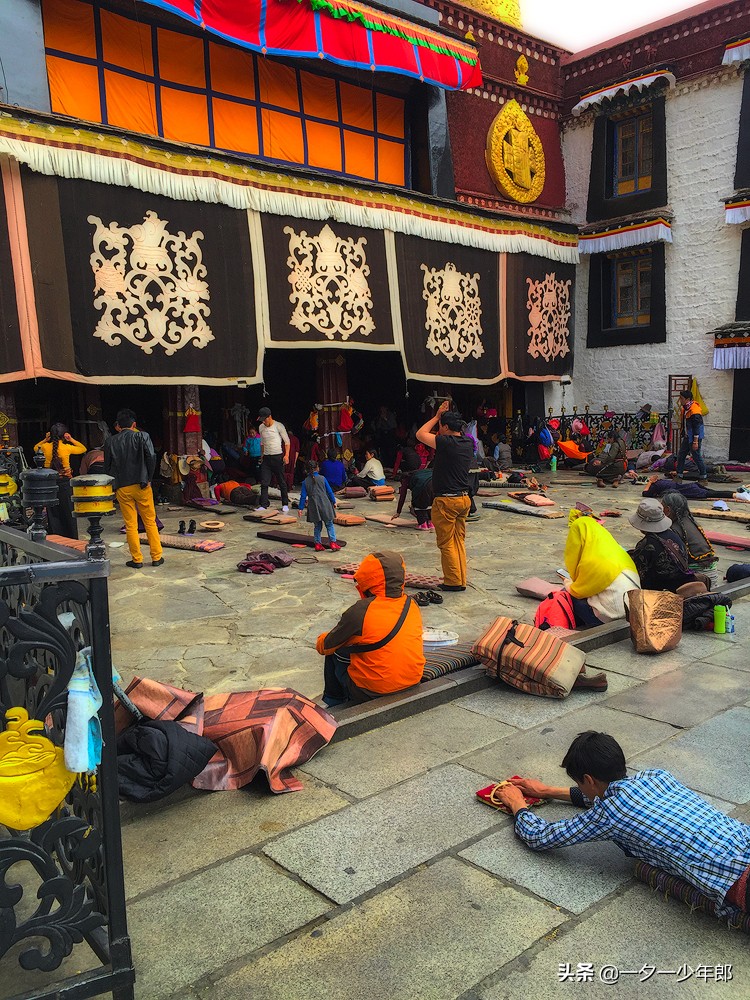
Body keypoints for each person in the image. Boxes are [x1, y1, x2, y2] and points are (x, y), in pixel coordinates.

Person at [491, 731, 750, 920]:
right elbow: (603, 796)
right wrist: (547, 791)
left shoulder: (609, 813)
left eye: (579, 782)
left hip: (738, 878)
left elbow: (540, 836)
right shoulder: (656, 776)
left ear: (588, 779)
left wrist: (517, 804)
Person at [317, 551, 424, 706]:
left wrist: (323, 638)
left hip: (373, 691)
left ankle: (334, 704)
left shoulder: (362, 610)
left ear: (367, 579)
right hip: (413, 681)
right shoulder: (411, 604)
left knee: (334, 651)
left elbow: (325, 646)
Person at [416, 401, 473, 592]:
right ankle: (460, 579)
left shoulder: (445, 443)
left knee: (446, 542)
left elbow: (420, 434)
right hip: (464, 499)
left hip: (447, 500)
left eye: (441, 426)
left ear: (446, 427)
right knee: (458, 540)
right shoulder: (467, 443)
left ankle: (453, 581)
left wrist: (436, 416)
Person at [103, 409, 163, 569]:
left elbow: (107, 466)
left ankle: (137, 559)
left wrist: (112, 486)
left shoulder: (110, 441)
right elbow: (151, 457)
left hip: (122, 486)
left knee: (130, 525)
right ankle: (156, 557)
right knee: (150, 521)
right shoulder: (142, 436)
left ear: (118, 425)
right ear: (134, 424)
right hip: (142, 484)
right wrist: (149, 478)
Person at [561, 511, 640, 626]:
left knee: (567, 595)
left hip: (611, 620)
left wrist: (567, 583)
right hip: (633, 615)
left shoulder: (593, 560)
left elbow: (578, 591)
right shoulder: (618, 552)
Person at [627, 498, 696, 592]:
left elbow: (639, 575)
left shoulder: (646, 544)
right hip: (682, 584)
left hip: (662, 591)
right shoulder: (673, 535)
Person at [34, 423, 88, 539]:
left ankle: (56, 539)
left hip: (50, 483)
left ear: (51, 435)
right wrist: (71, 439)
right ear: (64, 435)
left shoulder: (44, 447)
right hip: (65, 483)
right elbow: (83, 449)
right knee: (68, 510)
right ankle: (71, 538)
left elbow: (35, 448)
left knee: (53, 512)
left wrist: (45, 440)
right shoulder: (66, 447)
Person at [660, 491, 717, 573]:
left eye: (662, 507)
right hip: (710, 569)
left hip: (697, 572)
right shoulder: (690, 521)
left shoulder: (673, 529)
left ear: (668, 510)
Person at [298, 460, 341, 553]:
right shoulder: (322, 478)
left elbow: (303, 496)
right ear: (317, 468)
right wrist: (334, 501)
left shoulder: (305, 482)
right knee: (329, 524)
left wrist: (300, 508)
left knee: (317, 526)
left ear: (306, 470)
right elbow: (329, 491)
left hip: (313, 506)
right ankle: (333, 543)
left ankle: (317, 544)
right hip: (325, 504)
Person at [256, 406, 290, 512]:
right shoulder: (261, 427)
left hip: (277, 457)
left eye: (264, 419)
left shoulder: (279, 426)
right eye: (262, 420)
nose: (263, 422)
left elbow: (287, 442)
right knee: (264, 482)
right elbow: (262, 443)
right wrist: (262, 455)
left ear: (269, 417)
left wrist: (286, 455)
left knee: (281, 482)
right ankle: (263, 505)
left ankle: (285, 504)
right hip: (266, 458)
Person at [677, 389, 707, 486]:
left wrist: (695, 441)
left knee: (696, 456)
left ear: (687, 399)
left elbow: (696, 426)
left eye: (681, 398)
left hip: (694, 437)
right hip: (688, 436)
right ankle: (679, 476)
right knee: (681, 455)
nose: (680, 400)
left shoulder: (695, 410)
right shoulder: (685, 409)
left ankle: (703, 477)